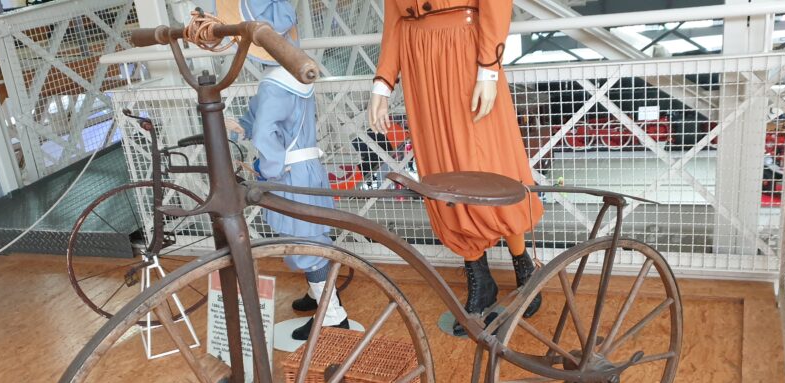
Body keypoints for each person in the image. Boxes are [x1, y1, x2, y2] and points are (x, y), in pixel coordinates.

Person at [367, 0, 543, 336]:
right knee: (441, 169)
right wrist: (383, 82)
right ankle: (478, 274)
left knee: (489, 162)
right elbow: (394, 20)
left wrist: (488, 66)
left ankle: (524, 264)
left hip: (464, 48)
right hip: (418, 60)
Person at [220, 0, 349, 341]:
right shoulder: (295, 75)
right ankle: (319, 295)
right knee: (310, 236)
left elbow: (266, 132)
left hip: (289, 173)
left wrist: (266, 169)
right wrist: (244, 128)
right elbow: (268, 121)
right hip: (307, 168)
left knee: (305, 242)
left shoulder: (273, 83)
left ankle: (333, 314)